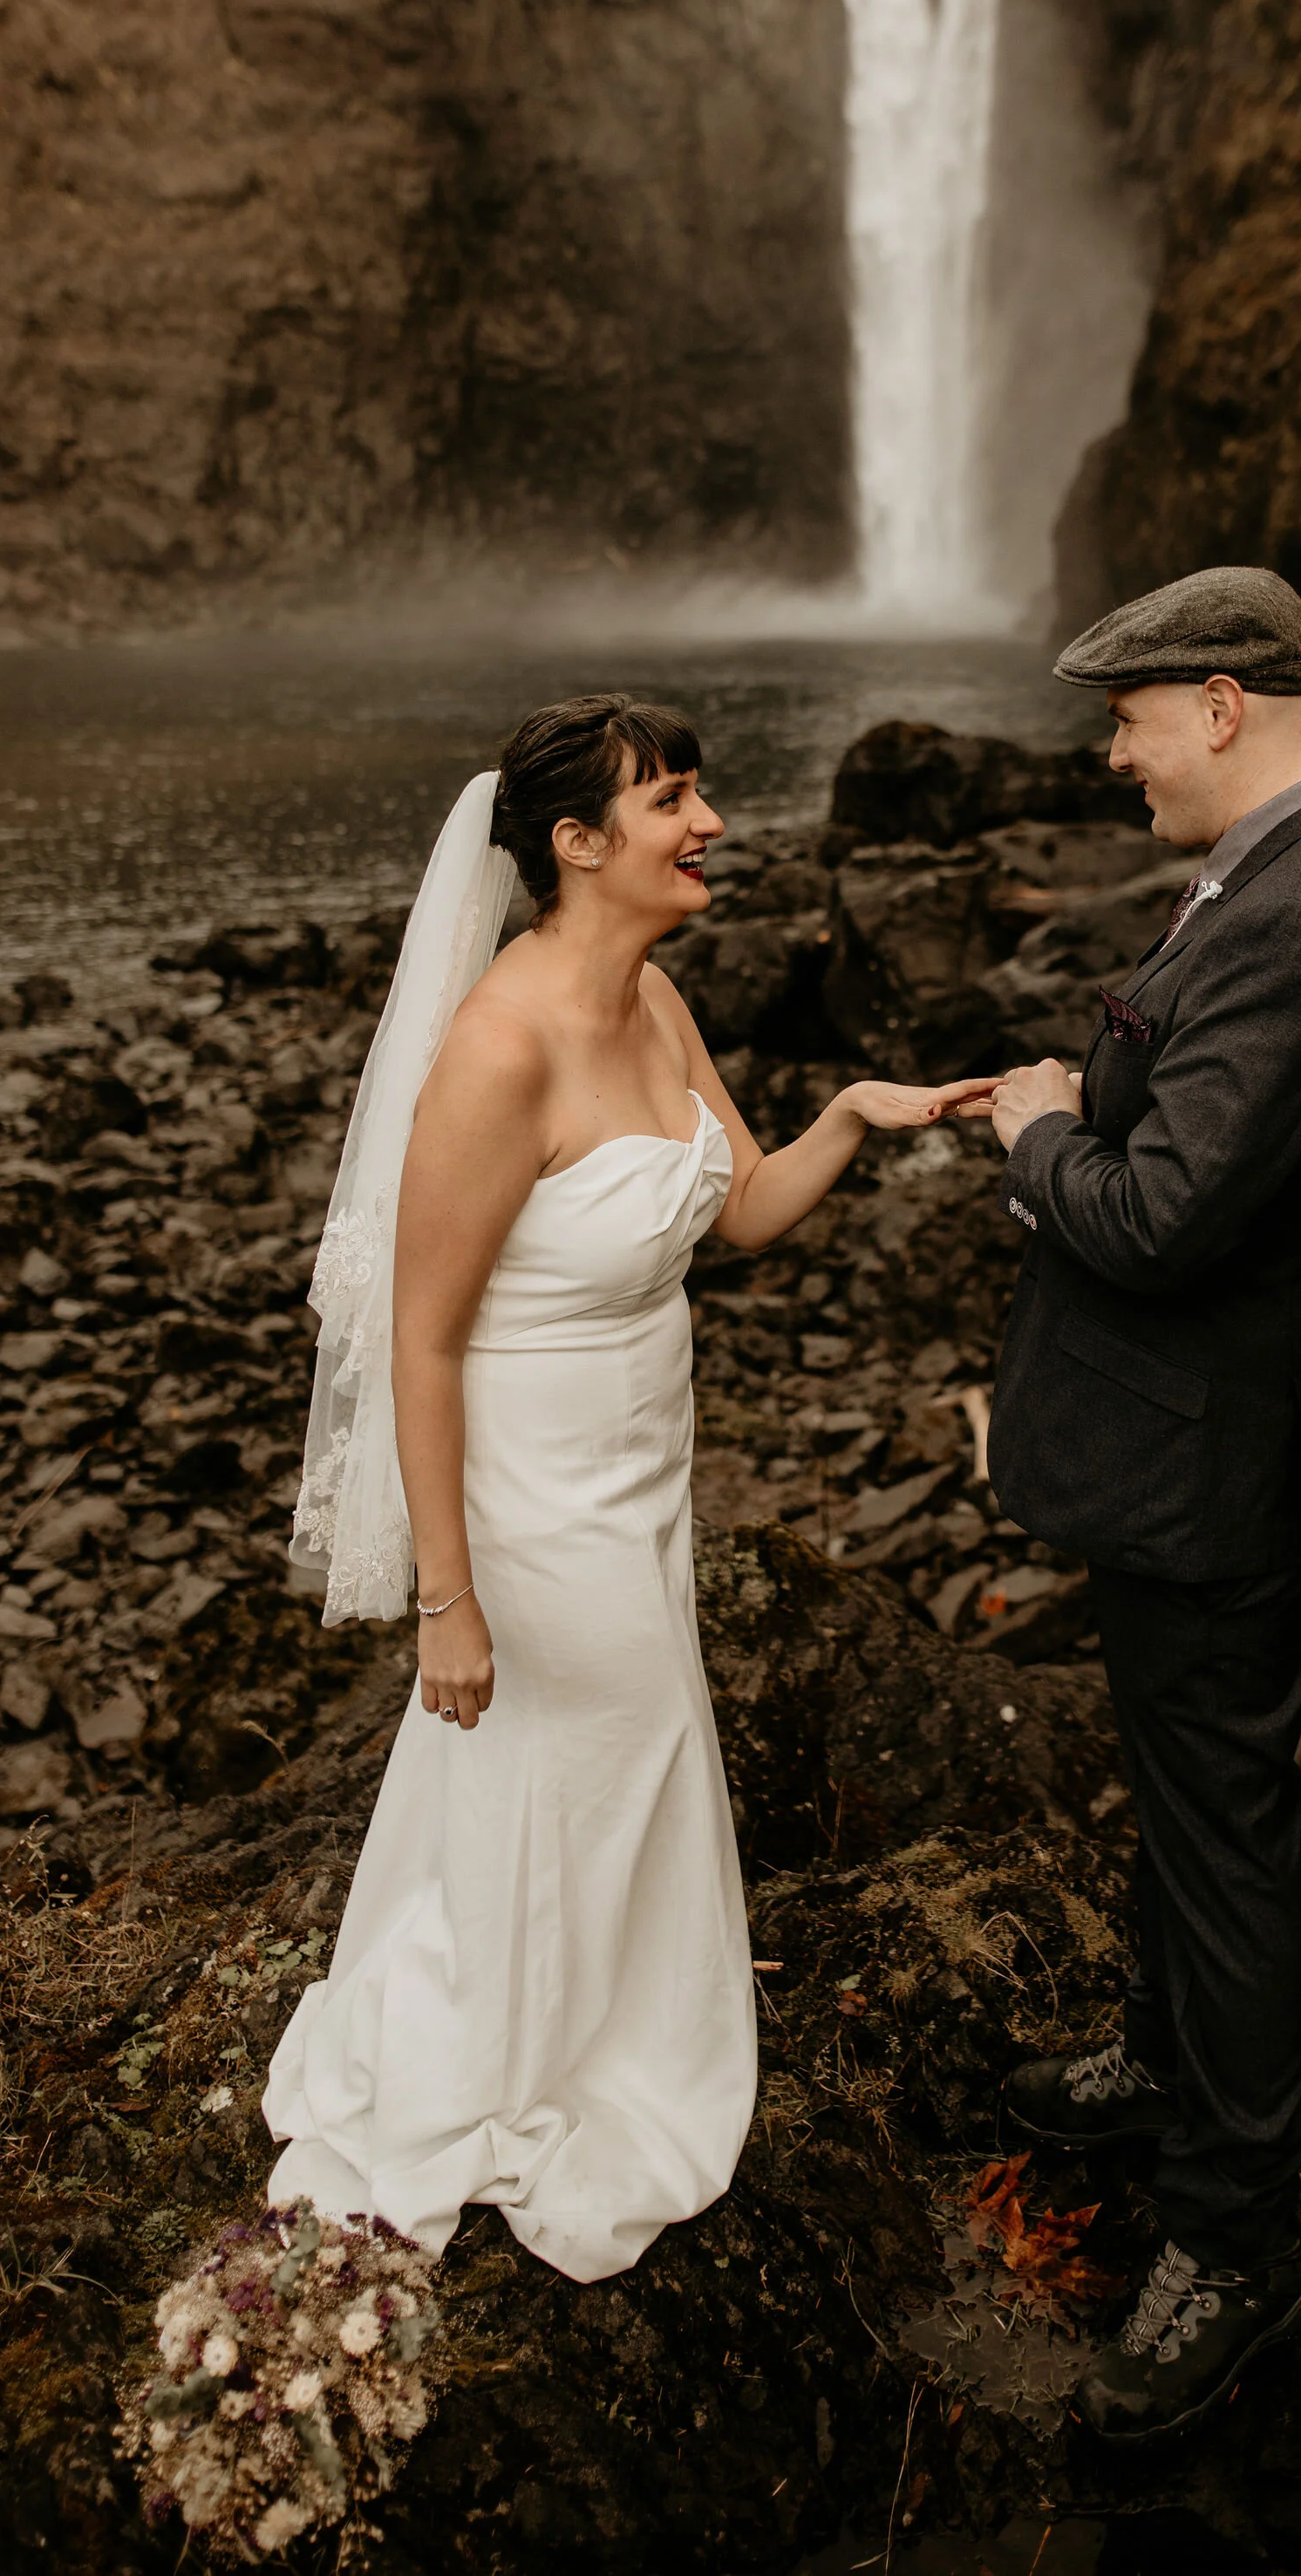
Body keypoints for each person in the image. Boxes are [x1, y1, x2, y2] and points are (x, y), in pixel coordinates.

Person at [264, 694, 990, 2281]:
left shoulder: (656, 1006)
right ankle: (518, 2074)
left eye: (700, 793)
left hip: (644, 1460)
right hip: (526, 1485)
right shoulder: (500, 1047)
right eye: (677, 799)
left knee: (595, 1765)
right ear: (580, 846)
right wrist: (444, 1601)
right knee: (609, 1742)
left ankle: (585, 2043)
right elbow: (424, 1344)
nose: (710, 822)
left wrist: (852, 1118)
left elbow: (735, 1216)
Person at [977, 565, 1301, 2443]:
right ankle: (1165, 2056)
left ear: (1228, 703)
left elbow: (1164, 1214)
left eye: (1134, 718)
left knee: (1226, 1829)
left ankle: (1236, 2233)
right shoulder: (1298, 868)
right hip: (1207, 1437)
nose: (1115, 752)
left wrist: (1032, 1137)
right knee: (1184, 1781)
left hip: (1220, 1456)